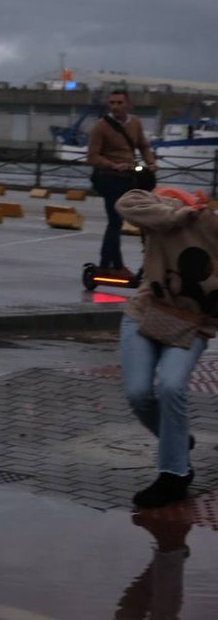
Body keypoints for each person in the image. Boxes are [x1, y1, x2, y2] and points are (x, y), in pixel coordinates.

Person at [114, 186, 218, 508]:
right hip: (146, 314)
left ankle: (174, 474)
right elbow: (126, 202)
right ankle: (176, 441)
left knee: (172, 386)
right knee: (138, 394)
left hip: (192, 322)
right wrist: (175, 216)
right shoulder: (179, 210)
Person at [87, 89, 158, 279]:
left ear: (128, 104)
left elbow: (143, 145)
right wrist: (113, 165)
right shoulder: (101, 127)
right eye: (112, 103)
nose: (115, 106)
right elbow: (92, 156)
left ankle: (106, 264)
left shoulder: (135, 122)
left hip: (130, 177)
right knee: (115, 221)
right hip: (109, 177)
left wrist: (150, 162)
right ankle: (115, 266)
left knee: (135, 217)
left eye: (119, 102)